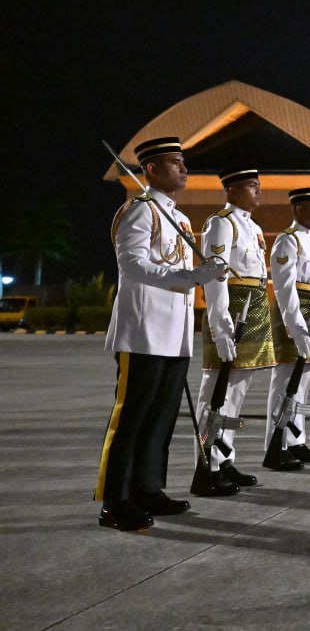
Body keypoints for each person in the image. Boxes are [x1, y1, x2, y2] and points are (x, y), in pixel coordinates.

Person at [96, 136, 228, 530]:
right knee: (131, 417)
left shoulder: (181, 219)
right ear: (152, 169)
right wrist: (190, 277)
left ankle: (147, 488)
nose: (184, 169)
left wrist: (206, 272)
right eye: (175, 162)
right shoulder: (139, 211)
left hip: (174, 334)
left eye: (184, 162)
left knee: (161, 417)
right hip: (143, 332)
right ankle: (115, 502)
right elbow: (132, 266)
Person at [193, 167, 274, 495]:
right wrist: (221, 326)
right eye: (252, 187)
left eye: (259, 186)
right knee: (216, 392)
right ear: (232, 189)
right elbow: (216, 275)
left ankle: (224, 457)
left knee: (237, 392)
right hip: (232, 310)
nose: (259, 192)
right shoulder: (221, 223)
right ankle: (205, 466)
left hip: (253, 307)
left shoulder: (252, 227)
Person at [264, 187, 310, 471]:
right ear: (299, 209)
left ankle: (296, 439)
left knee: (305, 383)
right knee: (286, 382)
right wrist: (296, 327)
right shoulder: (287, 241)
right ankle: (275, 445)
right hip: (295, 313)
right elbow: (285, 287)